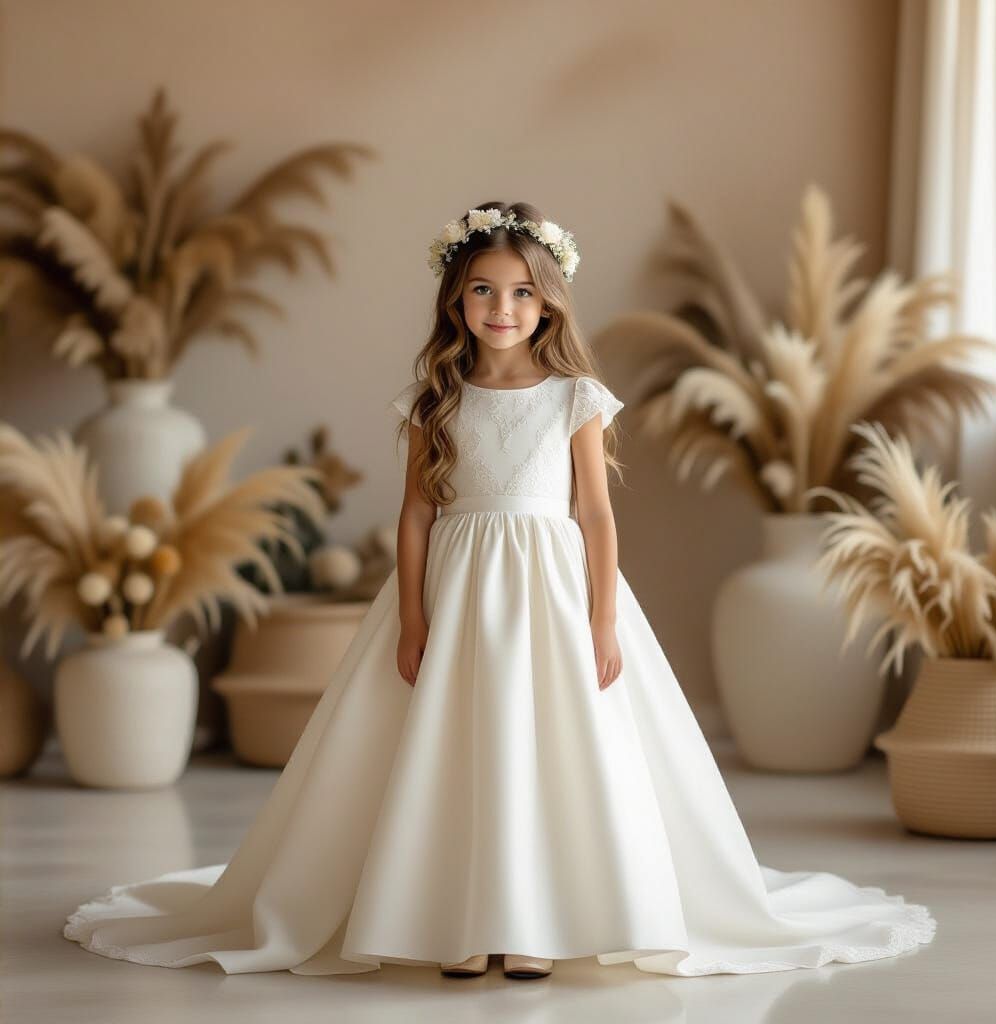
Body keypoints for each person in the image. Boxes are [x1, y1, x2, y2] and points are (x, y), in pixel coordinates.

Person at [63, 200, 936, 981]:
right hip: (458, 587)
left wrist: (601, 618)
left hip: (552, 593)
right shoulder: (437, 398)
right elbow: (413, 516)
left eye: (521, 293)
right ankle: (460, 922)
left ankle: (531, 927)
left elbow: (595, 516)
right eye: (483, 291)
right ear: (456, 300)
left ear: (549, 300)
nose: (502, 310)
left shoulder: (575, 398)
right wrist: (411, 619)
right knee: (460, 744)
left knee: (541, 745)